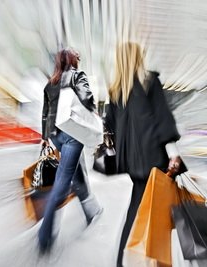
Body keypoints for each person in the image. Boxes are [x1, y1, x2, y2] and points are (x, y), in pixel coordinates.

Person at [104, 42, 186, 267]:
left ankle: (124, 258)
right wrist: (173, 153)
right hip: (155, 160)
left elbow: (109, 126)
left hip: (132, 163)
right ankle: (155, 260)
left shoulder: (116, 90)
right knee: (160, 208)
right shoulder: (149, 81)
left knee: (139, 205)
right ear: (139, 57)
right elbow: (163, 119)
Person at [39, 47, 103, 253]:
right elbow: (87, 98)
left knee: (77, 172)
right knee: (63, 182)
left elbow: (45, 113)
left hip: (56, 136)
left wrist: (44, 138)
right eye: (77, 56)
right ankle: (45, 236)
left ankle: (91, 211)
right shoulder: (77, 76)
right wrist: (93, 113)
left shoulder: (50, 83)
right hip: (73, 134)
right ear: (72, 60)